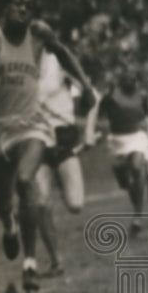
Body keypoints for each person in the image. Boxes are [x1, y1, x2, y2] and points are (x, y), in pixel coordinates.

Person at [0, 0, 95, 293]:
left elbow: (62, 52)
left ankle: (30, 263)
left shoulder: (37, 36)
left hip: (32, 127)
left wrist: (84, 83)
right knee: (2, 206)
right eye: (17, 3)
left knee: (26, 179)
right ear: (6, 8)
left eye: (29, 6)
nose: (23, 9)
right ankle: (9, 227)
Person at [32, 49, 98, 277]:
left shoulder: (58, 62)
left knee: (75, 204)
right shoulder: (19, 66)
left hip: (64, 138)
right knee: (40, 204)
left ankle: (62, 180)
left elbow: (93, 97)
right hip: (37, 139)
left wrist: (88, 131)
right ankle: (55, 261)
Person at [96, 69, 148, 235]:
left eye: (133, 80)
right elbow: (97, 115)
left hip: (139, 138)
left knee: (142, 172)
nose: (131, 83)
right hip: (117, 142)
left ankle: (147, 217)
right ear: (120, 83)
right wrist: (95, 131)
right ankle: (139, 213)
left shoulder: (142, 97)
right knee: (126, 183)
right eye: (126, 80)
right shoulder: (110, 98)